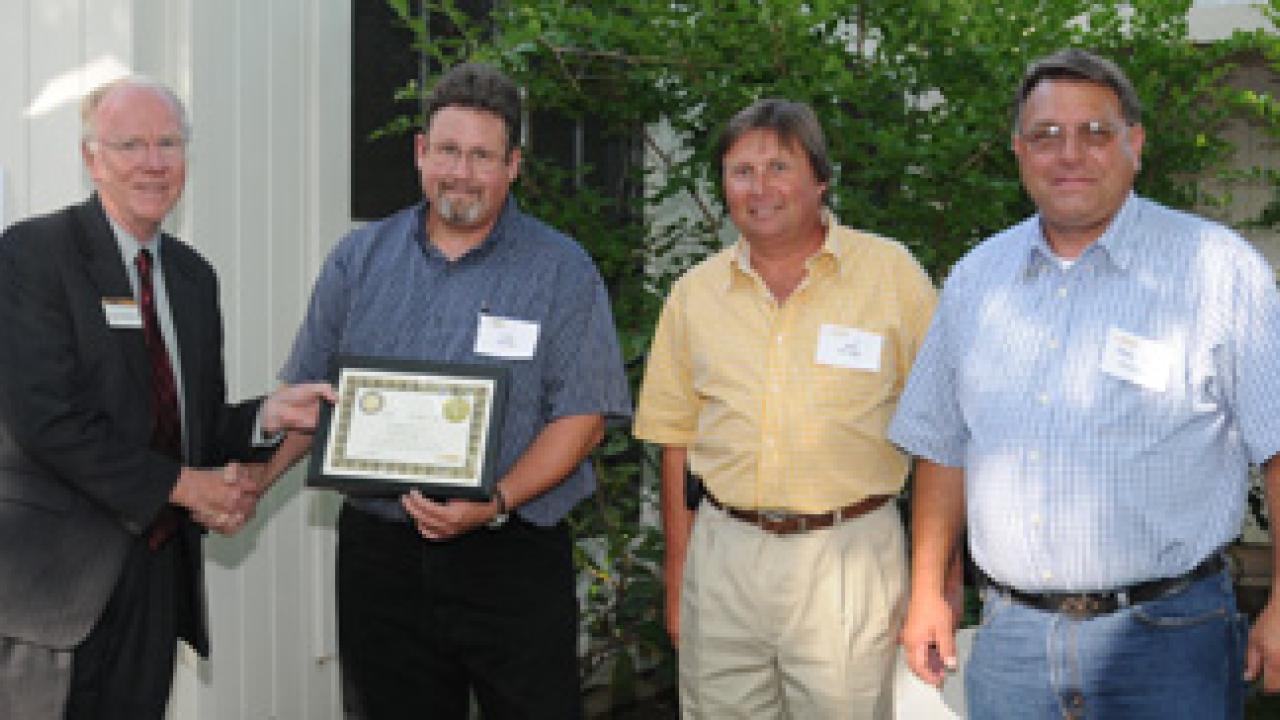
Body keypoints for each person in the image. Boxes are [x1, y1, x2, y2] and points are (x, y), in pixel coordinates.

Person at [890, 48, 1280, 718]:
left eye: (1095, 132)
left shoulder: (1218, 271)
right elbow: (942, 445)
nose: (1069, 154)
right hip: (1013, 644)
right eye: (1046, 135)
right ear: (1019, 151)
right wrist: (928, 589)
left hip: (1171, 640)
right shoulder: (977, 279)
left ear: (1135, 144)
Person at [262, 63, 630, 718]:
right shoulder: (359, 260)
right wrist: (251, 482)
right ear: (420, 153)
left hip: (510, 551)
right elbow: (311, 398)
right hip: (382, 560)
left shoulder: (561, 271)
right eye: (448, 150)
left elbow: (583, 418)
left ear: (513, 165)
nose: (462, 172)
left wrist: (494, 500)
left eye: (482, 156)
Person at [0, 76, 333, 719]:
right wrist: (186, 486)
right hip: (50, 593)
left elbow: (192, 428)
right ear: (92, 158)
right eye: (131, 145)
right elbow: (47, 420)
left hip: (154, 578)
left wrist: (268, 416)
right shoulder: (32, 255)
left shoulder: (191, 277)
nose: (153, 163)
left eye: (168, 144)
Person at [633, 98, 938, 719]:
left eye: (779, 168)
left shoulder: (891, 276)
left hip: (849, 555)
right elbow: (674, 442)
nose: (760, 188)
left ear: (820, 179)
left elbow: (943, 435)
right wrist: (679, 577)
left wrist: (936, 582)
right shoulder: (694, 295)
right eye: (741, 171)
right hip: (724, 556)